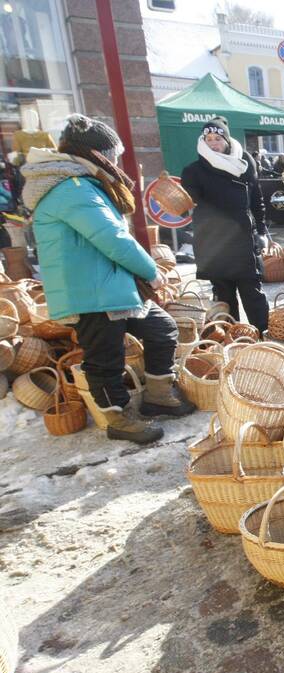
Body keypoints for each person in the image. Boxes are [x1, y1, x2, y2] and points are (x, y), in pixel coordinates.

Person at [25, 114, 194, 443]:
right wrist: (152, 274)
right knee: (104, 360)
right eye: (113, 156)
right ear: (95, 154)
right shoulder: (72, 189)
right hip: (90, 291)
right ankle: (118, 419)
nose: (116, 163)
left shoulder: (81, 184)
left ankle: (158, 395)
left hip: (111, 286)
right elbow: (114, 238)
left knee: (162, 329)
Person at [181, 117, 270, 333]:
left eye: (218, 138)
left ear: (227, 140)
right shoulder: (194, 171)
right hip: (214, 243)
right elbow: (186, 202)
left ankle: (264, 336)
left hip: (243, 240)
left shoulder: (246, 162)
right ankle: (231, 340)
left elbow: (256, 200)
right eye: (208, 139)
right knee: (224, 297)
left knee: (253, 293)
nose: (213, 143)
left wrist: (262, 230)